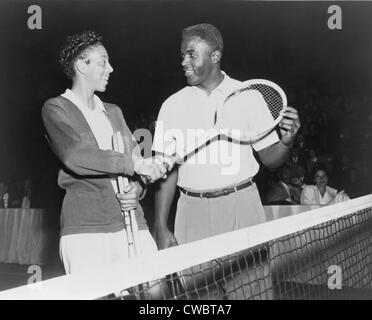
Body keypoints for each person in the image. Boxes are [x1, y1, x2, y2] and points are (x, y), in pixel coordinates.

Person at [152, 23, 301, 249]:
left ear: (215, 55)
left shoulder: (248, 97)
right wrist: (161, 226)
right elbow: (165, 173)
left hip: (242, 204)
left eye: (191, 55)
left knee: (251, 284)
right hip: (192, 211)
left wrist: (286, 142)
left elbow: (271, 160)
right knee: (197, 285)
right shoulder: (172, 106)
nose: (183, 62)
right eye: (182, 55)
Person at [42, 31, 167, 274]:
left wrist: (138, 188)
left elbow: (137, 163)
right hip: (86, 231)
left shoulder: (114, 111)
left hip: (133, 224)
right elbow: (76, 155)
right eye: (103, 62)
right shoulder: (56, 108)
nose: (111, 68)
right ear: (81, 65)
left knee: (156, 294)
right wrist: (136, 167)